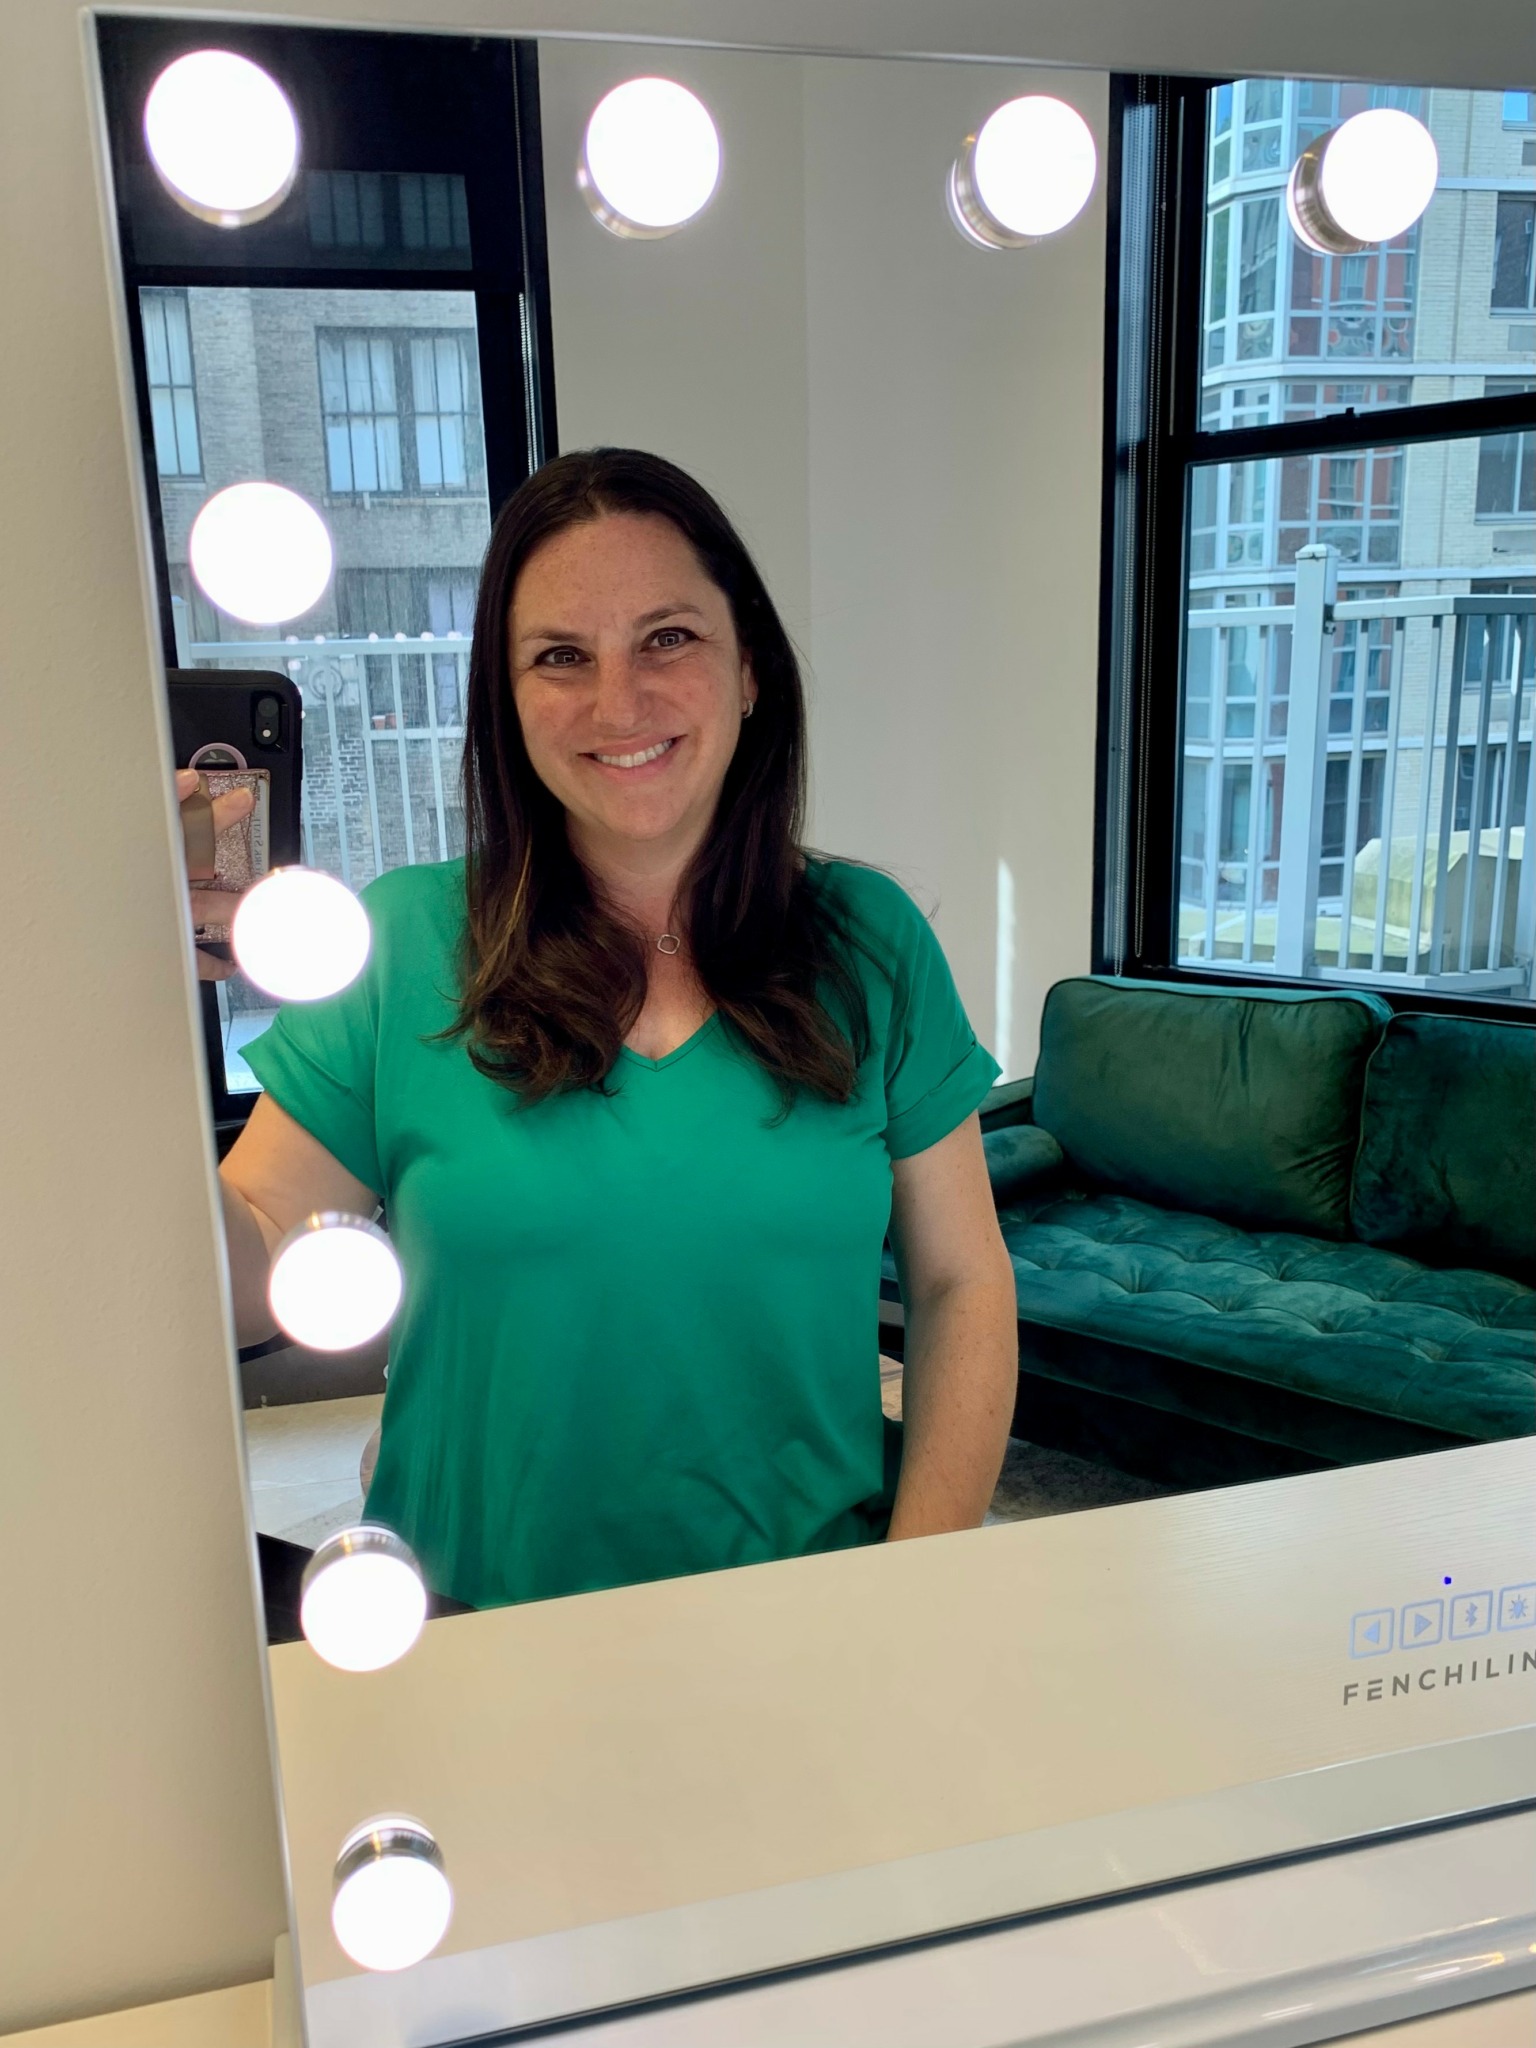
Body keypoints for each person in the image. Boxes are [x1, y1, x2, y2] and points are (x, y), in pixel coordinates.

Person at [204, 447, 1018, 1611]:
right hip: (471, 1629)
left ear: (750, 666)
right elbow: (244, 1268)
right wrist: (127, 1014)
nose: (619, 702)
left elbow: (960, 1281)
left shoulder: (870, 942)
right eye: (560, 656)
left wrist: (917, 1589)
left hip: (812, 1620)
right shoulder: (397, 944)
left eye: (667, 637)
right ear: (507, 697)